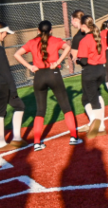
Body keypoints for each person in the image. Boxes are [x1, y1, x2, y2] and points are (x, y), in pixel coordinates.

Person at [13, 20, 83, 151]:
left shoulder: (32, 42)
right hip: (53, 73)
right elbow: (67, 47)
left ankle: (37, 143)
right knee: (66, 106)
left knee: (40, 110)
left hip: (39, 76)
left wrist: (30, 66)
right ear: (51, 30)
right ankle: (74, 137)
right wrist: (57, 62)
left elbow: (16, 54)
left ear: (38, 31)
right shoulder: (55, 40)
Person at [76, 16, 108, 138]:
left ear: (84, 26)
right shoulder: (98, 37)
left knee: (93, 100)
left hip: (90, 71)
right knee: (87, 98)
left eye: (80, 25)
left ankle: (100, 126)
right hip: (101, 69)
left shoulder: (84, 40)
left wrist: (77, 60)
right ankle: (96, 122)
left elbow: (83, 61)